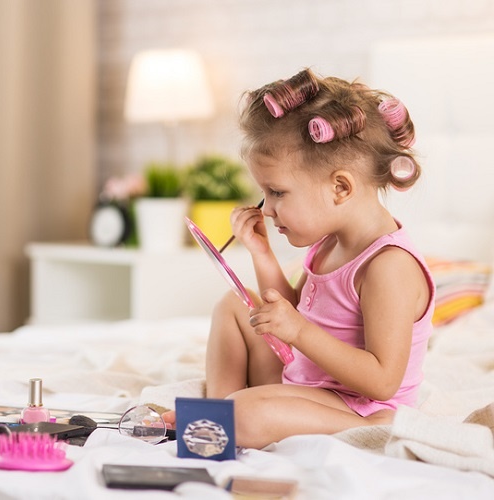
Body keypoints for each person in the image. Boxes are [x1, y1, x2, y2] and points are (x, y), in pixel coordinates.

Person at [163, 68, 434, 449]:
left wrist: (299, 332)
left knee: (248, 412)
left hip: (359, 407)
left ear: (340, 187)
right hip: (309, 380)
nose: (267, 209)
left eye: (277, 192)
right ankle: (221, 410)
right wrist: (262, 253)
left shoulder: (389, 267)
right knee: (233, 307)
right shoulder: (328, 244)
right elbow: (290, 313)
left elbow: (382, 380)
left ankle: (231, 415)